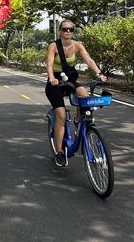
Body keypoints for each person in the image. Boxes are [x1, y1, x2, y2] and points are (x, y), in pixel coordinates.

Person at [45, 19, 106, 167]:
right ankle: (59, 152)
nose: (68, 32)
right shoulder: (53, 46)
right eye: (65, 29)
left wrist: (99, 73)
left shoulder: (78, 45)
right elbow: (49, 63)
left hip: (70, 81)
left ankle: (79, 118)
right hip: (56, 83)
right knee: (60, 115)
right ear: (60, 31)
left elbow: (89, 60)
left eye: (71, 29)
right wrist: (52, 77)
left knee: (84, 95)